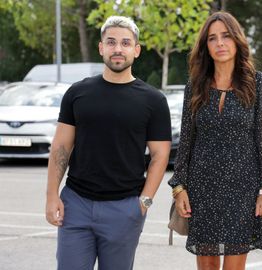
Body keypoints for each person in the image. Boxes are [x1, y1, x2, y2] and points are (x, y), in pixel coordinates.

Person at [45, 16, 172, 270]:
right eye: (111, 42)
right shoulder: (77, 93)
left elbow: (160, 156)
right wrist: (51, 196)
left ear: (136, 50)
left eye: (125, 43)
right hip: (76, 204)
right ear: (101, 47)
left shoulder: (153, 100)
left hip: (124, 208)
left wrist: (143, 203)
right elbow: (61, 148)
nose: (118, 49)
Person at [168, 11, 262, 270]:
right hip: (201, 187)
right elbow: (186, 141)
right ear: (205, 46)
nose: (220, 43)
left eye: (226, 36)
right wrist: (179, 187)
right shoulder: (195, 86)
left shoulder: (258, 83)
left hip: (242, 190)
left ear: (237, 40)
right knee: (206, 267)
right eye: (212, 38)